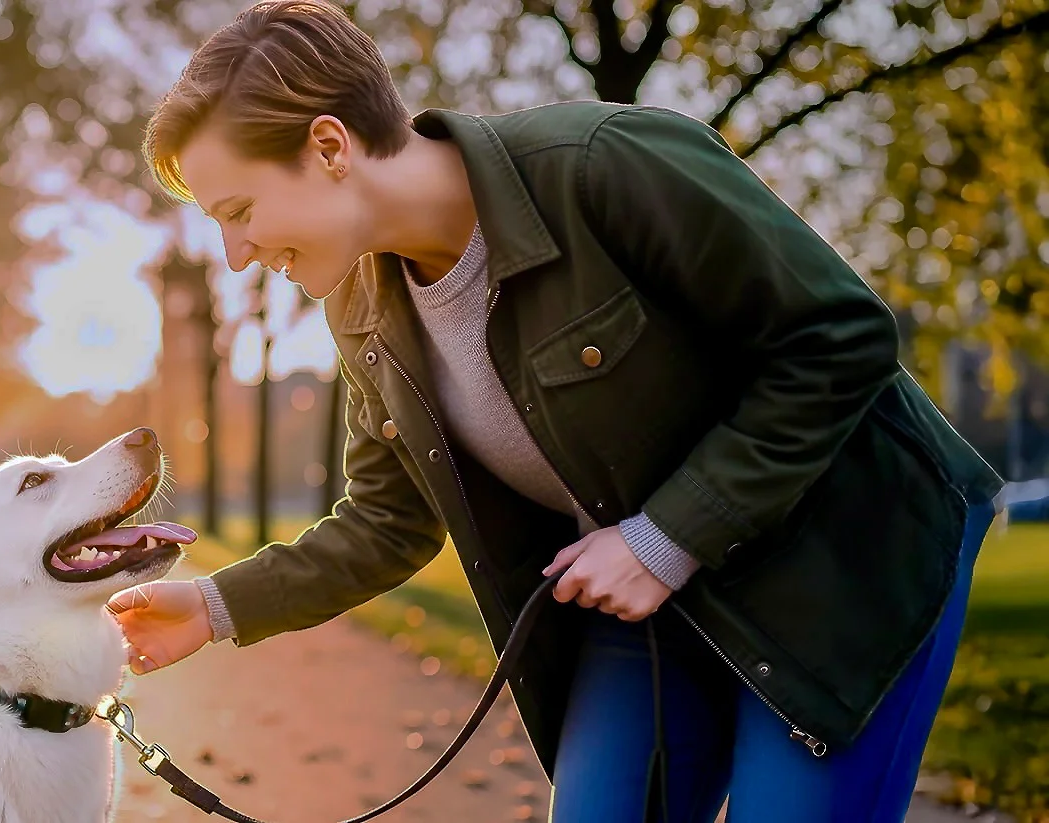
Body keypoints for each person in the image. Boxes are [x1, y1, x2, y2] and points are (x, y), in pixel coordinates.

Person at [104, 1, 1004, 819]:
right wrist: (214, 605)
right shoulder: (361, 304)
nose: (235, 253)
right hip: (640, 590)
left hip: (839, 557)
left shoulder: (602, 162)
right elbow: (388, 519)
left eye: (239, 210)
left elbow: (839, 338)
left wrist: (666, 537)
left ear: (330, 147)